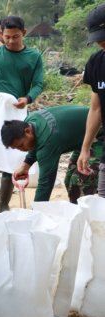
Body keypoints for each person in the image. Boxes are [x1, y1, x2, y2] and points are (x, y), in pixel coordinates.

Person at [0, 16, 44, 212]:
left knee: (11, 157)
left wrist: (28, 98)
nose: (11, 41)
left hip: (16, 112)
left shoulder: (34, 57)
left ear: (24, 33)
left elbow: (38, 83)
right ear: (1, 34)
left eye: (16, 37)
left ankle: (2, 206)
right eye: (7, 37)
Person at [2, 105, 97, 203]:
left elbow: (45, 183)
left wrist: (37, 212)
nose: (21, 150)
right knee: (69, 180)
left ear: (27, 131)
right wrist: (25, 166)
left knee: (81, 182)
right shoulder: (30, 120)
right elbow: (37, 141)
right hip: (82, 140)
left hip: (99, 133)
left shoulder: (49, 142)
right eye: (16, 148)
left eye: (21, 145)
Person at [77, 3, 105, 199]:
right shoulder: (96, 63)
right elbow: (96, 108)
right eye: (98, 39)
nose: (101, 43)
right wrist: (85, 148)